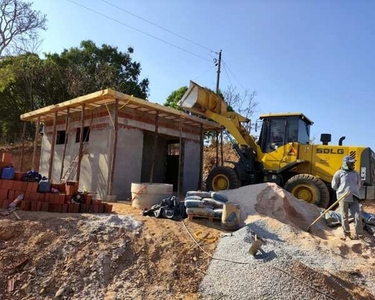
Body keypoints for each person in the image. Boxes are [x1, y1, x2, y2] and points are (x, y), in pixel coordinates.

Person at [331, 155, 363, 240]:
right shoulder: (339, 173)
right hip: (343, 197)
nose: (353, 164)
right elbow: (334, 186)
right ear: (345, 163)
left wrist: (353, 190)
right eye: (351, 163)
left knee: (357, 215)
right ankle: (347, 235)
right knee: (344, 216)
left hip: (354, 196)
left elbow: (358, 184)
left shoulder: (355, 173)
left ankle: (359, 235)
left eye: (353, 163)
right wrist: (342, 190)